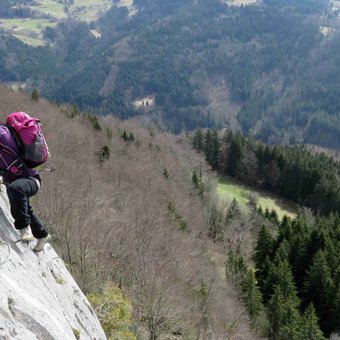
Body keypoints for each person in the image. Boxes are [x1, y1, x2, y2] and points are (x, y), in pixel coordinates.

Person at [0, 122, 51, 252]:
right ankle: (43, 234)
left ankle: (25, 229)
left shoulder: (3, 135)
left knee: (16, 189)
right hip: (18, 181)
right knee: (23, 206)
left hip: (31, 180)